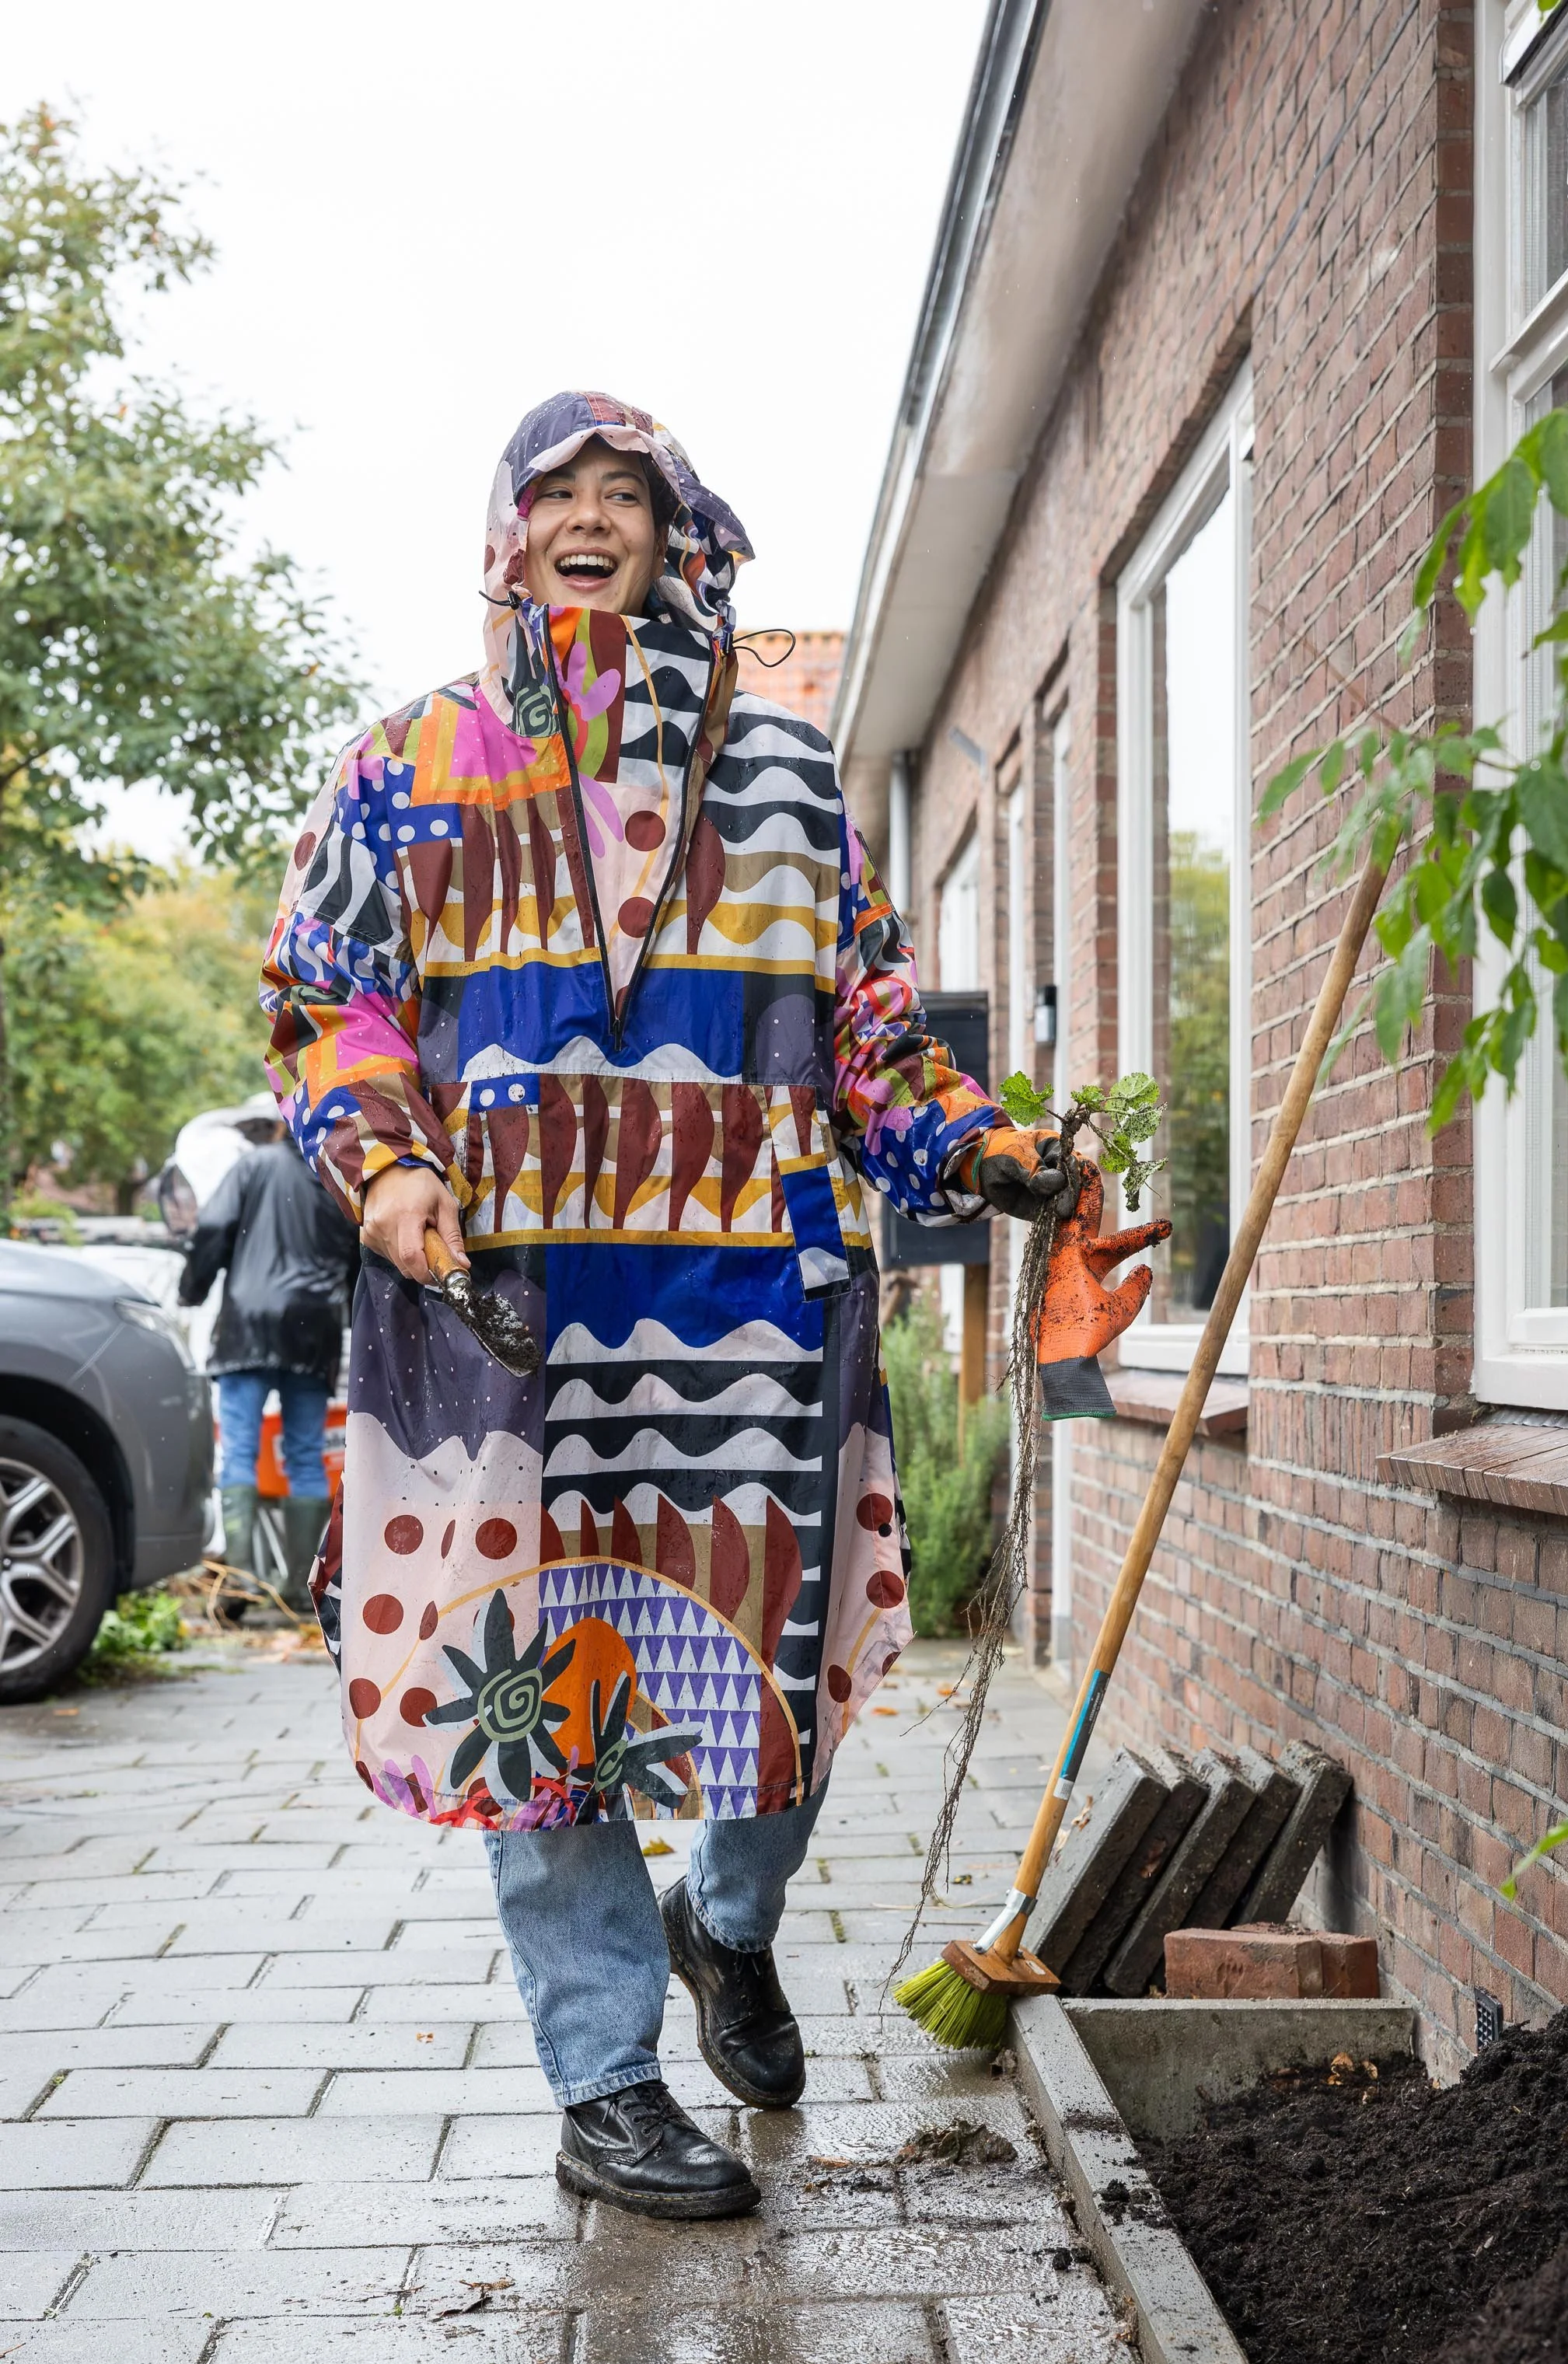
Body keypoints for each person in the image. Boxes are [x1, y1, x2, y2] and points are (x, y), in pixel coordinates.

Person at [262, 392, 1071, 2220]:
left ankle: (728, 1920)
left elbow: (865, 1016)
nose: (591, 518)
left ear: (676, 538)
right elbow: (331, 997)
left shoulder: (782, 775)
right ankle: (606, 2080)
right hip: (506, 1315)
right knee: (539, 1700)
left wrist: (977, 1147)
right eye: (558, 492)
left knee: (768, 1686)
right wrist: (393, 1177)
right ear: (502, 531)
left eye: (627, 494)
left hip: (749, 1316)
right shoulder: (411, 763)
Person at [178, 1119, 358, 1608]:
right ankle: (300, 1590)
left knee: (239, 1451)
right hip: (314, 1326)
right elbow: (359, 1257)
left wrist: (191, 1290)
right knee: (304, 1454)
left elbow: (213, 1228)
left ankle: (240, 1582)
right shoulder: (338, 1179)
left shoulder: (253, 1165)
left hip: (249, 1323)